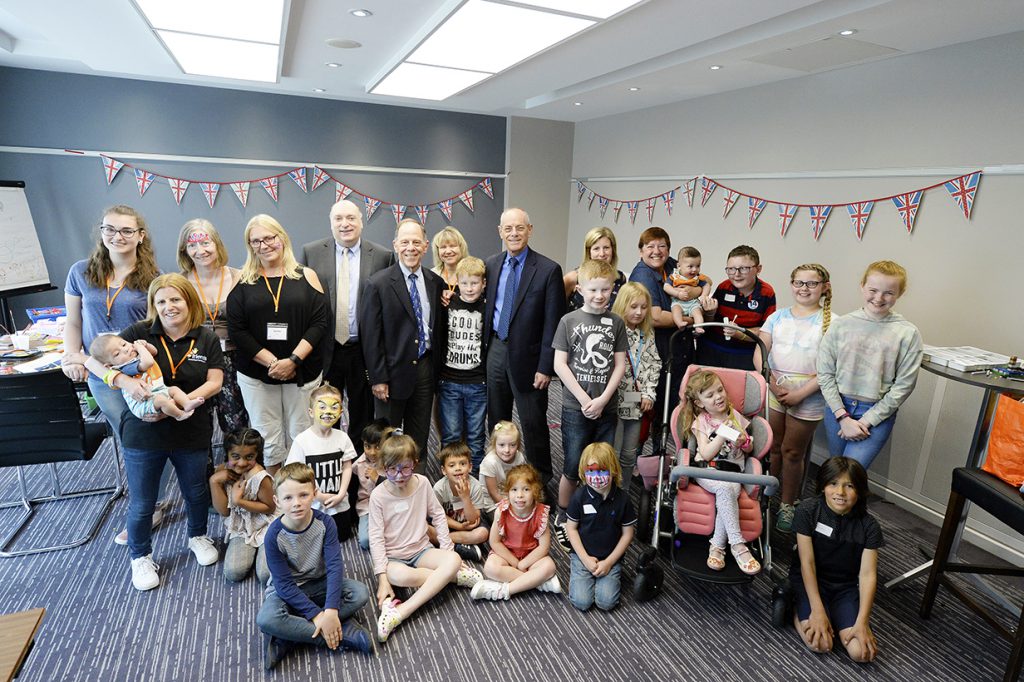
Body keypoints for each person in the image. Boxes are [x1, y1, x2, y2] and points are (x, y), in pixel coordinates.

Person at [81, 274, 224, 591]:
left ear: (189, 301)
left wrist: (178, 402)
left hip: (190, 428)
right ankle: (140, 556)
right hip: (144, 434)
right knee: (143, 502)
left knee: (195, 492)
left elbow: (215, 382)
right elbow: (93, 362)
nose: (169, 306)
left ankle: (198, 536)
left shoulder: (206, 337)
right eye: (161, 301)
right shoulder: (137, 334)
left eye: (175, 299)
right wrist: (124, 381)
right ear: (153, 305)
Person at [61, 205, 168, 544]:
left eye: (126, 230)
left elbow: (157, 329)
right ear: (101, 232)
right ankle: (146, 502)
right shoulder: (80, 272)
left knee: (147, 430)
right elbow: (73, 321)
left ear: (140, 236)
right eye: (109, 229)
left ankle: (151, 503)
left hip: (137, 370)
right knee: (128, 437)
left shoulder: (153, 277)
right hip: (99, 373)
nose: (117, 236)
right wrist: (71, 356)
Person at [227, 214, 328, 472]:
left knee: (302, 431)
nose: (264, 245)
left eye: (269, 238)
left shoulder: (307, 275)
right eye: (256, 241)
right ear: (250, 246)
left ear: (282, 238)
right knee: (266, 435)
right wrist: (274, 363)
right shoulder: (242, 280)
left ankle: (299, 487)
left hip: (302, 370)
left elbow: (319, 323)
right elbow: (237, 330)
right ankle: (272, 490)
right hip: (257, 374)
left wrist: (293, 361)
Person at [256, 463, 373, 670]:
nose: (296, 503)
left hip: (320, 583)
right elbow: (284, 586)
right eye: (288, 498)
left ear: (314, 493)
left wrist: (331, 610)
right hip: (288, 591)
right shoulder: (273, 536)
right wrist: (319, 616)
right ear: (277, 501)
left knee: (360, 593)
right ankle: (342, 633)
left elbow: (335, 567)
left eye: (303, 495)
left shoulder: (326, 523)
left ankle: (289, 636)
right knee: (266, 619)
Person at [368, 434, 482, 643]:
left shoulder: (422, 483)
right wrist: (382, 578)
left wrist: (447, 550)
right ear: (383, 468)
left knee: (454, 558)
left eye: (405, 468)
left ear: (415, 463)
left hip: (422, 550)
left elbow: (438, 515)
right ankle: (452, 577)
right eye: (392, 469)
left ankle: (400, 612)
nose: (399, 475)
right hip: (394, 558)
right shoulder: (378, 496)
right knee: (400, 577)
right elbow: (375, 538)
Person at [301, 200, 394, 452]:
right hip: (325, 348)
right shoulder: (311, 252)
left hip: (362, 349)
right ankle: (325, 459)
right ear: (331, 223)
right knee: (325, 410)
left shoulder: (383, 256)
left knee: (363, 413)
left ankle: (356, 464)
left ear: (361, 221)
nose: (345, 224)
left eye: (351, 218)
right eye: (339, 219)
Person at [485, 207, 565, 485]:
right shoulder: (491, 265)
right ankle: (500, 477)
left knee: (533, 423)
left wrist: (546, 367)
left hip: (531, 360)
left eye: (520, 228)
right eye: (508, 228)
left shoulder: (548, 270)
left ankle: (540, 480)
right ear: (500, 232)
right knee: (497, 421)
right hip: (496, 349)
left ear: (529, 230)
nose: (514, 233)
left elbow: (553, 323)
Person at [816, 260, 922, 469]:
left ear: (900, 293)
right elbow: (825, 373)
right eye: (873, 290)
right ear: (862, 286)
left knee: (850, 475)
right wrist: (842, 416)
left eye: (888, 293)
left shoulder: (908, 333)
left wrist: (866, 421)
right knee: (835, 474)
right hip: (837, 407)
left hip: (876, 412)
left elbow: (904, 385)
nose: (879, 298)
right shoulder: (841, 325)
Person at [552, 259, 627, 551]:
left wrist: (603, 399)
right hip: (576, 407)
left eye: (605, 290)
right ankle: (563, 515)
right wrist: (585, 400)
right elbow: (560, 364)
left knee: (603, 463)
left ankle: (600, 513)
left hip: (606, 407)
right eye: (593, 289)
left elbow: (620, 365)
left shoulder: (616, 322)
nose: (599, 295)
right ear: (580, 289)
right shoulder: (568, 321)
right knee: (573, 465)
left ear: (612, 290)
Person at [755, 263, 832, 532]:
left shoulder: (833, 322)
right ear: (791, 285)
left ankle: (788, 503)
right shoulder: (777, 317)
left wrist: (800, 393)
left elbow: (831, 367)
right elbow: (760, 353)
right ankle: (765, 494)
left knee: (792, 451)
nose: (804, 288)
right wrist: (772, 384)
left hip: (809, 394)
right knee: (773, 446)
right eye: (799, 283)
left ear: (824, 287)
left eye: (812, 283)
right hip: (775, 388)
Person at [359, 219, 443, 462]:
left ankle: (417, 481)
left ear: (425, 246)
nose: (410, 248)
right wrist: (378, 378)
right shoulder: (378, 283)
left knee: (419, 435)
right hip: (391, 373)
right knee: (388, 438)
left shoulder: (434, 282)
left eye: (416, 242)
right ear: (395, 245)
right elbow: (371, 337)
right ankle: (386, 483)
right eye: (405, 242)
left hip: (425, 369)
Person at [791, 457, 882, 663]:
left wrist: (862, 622)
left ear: (859, 491)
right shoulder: (808, 510)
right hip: (811, 582)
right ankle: (796, 609)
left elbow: (868, 575)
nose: (840, 492)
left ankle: (834, 615)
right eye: (833, 483)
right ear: (823, 486)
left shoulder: (869, 526)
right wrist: (817, 610)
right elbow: (807, 563)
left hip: (845, 588)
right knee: (821, 645)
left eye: (849, 486)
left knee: (861, 654)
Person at [681, 369, 760, 575]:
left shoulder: (736, 417)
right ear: (699, 403)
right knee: (725, 489)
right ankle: (738, 545)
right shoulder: (701, 421)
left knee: (728, 491)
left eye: (720, 390)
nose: (718, 397)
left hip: (733, 473)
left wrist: (744, 443)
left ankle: (717, 546)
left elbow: (749, 449)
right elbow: (706, 453)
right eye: (710, 395)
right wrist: (722, 435)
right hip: (708, 470)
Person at [178, 219, 249, 436]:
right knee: (198, 421)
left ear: (217, 243)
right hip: (196, 359)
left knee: (236, 421)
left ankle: (236, 459)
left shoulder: (240, 277)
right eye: (192, 245)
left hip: (234, 358)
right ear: (185, 250)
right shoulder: (179, 283)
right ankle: (203, 460)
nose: (200, 251)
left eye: (205, 243)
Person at [470, 464, 560, 602]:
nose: (519, 495)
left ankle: (505, 590)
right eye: (514, 489)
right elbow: (495, 542)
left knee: (549, 566)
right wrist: (515, 562)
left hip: (531, 556)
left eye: (526, 489)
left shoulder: (541, 513)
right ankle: (537, 582)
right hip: (507, 553)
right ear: (507, 492)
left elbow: (543, 547)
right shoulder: (501, 511)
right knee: (490, 568)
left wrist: (523, 564)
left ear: (535, 491)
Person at [628, 227, 690, 426]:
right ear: (641, 251)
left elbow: (697, 282)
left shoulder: (671, 265)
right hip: (651, 349)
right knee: (645, 403)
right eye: (650, 246)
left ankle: (662, 437)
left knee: (673, 398)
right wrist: (691, 319)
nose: (656, 251)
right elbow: (655, 317)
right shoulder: (643, 276)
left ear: (669, 250)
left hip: (676, 346)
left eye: (662, 246)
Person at [565, 442, 636, 612]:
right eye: (591, 471)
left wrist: (609, 562)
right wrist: (585, 559)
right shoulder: (579, 497)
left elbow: (628, 534)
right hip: (582, 556)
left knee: (606, 602)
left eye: (602, 470)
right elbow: (571, 528)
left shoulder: (623, 499)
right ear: (584, 472)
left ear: (613, 470)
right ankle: (583, 574)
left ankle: (608, 574)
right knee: (582, 602)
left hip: (610, 557)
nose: (596, 477)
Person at [285, 383, 358, 542]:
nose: (328, 412)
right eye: (322, 407)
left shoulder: (343, 438)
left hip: (339, 503)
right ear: (311, 412)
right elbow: (294, 474)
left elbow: (347, 466)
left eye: (334, 407)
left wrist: (341, 494)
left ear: (340, 412)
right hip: (313, 505)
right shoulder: (302, 441)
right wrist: (317, 495)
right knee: (313, 540)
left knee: (342, 537)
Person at [436, 255, 488, 473]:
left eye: (474, 283)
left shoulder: (487, 307)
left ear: (483, 283)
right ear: (457, 282)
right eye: (464, 283)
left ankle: (474, 481)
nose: (469, 288)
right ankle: (450, 480)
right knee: (451, 435)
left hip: (478, 383)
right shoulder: (447, 304)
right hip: (450, 381)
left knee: (476, 436)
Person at [209, 428, 276, 584]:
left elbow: (270, 508)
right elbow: (224, 511)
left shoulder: (260, 477)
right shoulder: (222, 470)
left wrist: (239, 502)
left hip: (266, 525)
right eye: (235, 456)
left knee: (265, 575)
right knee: (233, 572)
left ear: (257, 455)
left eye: (249, 457)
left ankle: (275, 546)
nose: (242, 463)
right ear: (227, 454)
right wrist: (214, 481)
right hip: (242, 528)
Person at [611, 282, 661, 485]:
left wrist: (648, 393)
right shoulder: (613, 331)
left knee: (629, 454)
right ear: (622, 305)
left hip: (636, 402)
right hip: (614, 401)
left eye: (643, 307)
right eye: (633, 307)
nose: (639, 312)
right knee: (613, 452)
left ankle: (623, 492)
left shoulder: (646, 333)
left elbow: (654, 363)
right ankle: (609, 493)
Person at [88, 336, 204, 420]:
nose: (125, 349)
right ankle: (179, 415)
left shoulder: (136, 356)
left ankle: (186, 404)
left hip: (158, 391)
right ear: (110, 365)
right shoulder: (125, 367)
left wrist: (146, 346)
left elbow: (154, 352)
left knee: (174, 389)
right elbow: (148, 362)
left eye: (124, 344)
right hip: (143, 404)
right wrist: (140, 348)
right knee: (161, 400)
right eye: (117, 354)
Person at [699, 244, 776, 370]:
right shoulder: (724, 287)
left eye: (744, 268)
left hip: (745, 355)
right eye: (731, 269)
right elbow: (709, 323)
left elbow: (765, 332)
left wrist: (739, 333)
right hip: (711, 350)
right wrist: (710, 313)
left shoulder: (766, 293)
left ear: (758, 269)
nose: (736, 274)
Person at [430, 441, 493, 563]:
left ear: (470, 467)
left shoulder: (475, 486)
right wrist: (458, 526)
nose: (458, 468)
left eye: (462, 464)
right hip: (447, 525)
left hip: (469, 526)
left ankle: (444, 542)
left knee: (483, 534)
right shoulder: (439, 488)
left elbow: (473, 520)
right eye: (452, 465)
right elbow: (438, 516)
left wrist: (465, 498)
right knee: (425, 528)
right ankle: (460, 545)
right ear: (444, 470)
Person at [563, 226, 627, 312]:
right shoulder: (573, 278)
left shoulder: (620, 278)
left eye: (606, 248)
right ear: (589, 252)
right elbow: (556, 308)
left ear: (613, 250)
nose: (602, 254)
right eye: (596, 248)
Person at [353, 419, 392, 551]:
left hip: (390, 505)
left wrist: (378, 479)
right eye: (367, 446)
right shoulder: (359, 464)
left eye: (378, 447)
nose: (372, 452)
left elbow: (398, 488)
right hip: (367, 507)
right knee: (365, 541)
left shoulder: (391, 462)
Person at [664, 245, 713, 332]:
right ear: (679, 266)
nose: (694, 270)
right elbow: (666, 286)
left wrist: (703, 296)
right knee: (676, 311)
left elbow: (707, 285)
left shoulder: (697, 278)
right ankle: (680, 323)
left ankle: (699, 327)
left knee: (698, 313)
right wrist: (677, 294)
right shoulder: (674, 276)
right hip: (678, 302)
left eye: (698, 266)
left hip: (693, 303)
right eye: (690, 266)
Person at [479, 420, 527, 503]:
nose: (507, 450)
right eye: (502, 445)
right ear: (494, 444)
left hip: (512, 495)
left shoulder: (519, 457)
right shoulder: (490, 462)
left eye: (512, 445)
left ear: (518, 445)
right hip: (492, 501)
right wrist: (510, 508)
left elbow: (522, 481)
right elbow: (493, 493)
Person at [430, 225, 469, 302]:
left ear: (461, 248)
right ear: (437, 251)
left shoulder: (473, 273)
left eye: (452, 246)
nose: (448, 251)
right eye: (443, 247)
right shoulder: (431, 276)